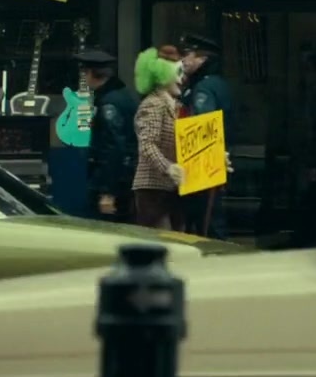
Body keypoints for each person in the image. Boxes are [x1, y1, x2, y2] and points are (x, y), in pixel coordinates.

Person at [177, 34, 233, 239]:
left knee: (207, 225)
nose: (183, 60)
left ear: (202, 58)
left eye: (187, 54)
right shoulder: (216, 83)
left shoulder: (204, 87)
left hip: (203, 166)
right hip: (212, 163)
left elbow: (202, 127)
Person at [79, 47, 139, 222]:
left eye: (84, 73)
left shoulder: (109, 103)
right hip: (124, 177)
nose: (83, 79)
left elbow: (113, 148)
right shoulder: (122, 95)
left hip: (114, 181)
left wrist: (108, 191)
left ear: (91, 74)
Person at [131, 45, 186, 230]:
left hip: (173, 189)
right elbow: (147, 145)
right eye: (177, 72)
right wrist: (168, 167)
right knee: (163, 240)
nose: (181, 79)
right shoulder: (153, 104)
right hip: (152, 190)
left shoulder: (177, 106)